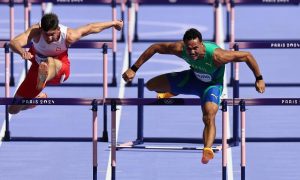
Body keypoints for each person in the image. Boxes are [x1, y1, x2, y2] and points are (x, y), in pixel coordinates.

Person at [122, 28, 265, 164]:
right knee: (151, 85)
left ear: (201, 45)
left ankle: (207, 149)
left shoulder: (217, 56)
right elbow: (155, 47)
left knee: (209, 115)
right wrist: (133, 68)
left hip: (211, 86)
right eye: (189, 48)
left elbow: (247, 56)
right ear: (184, 46)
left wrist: (259, 78)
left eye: (195, 48)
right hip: (192, 79)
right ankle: (174, 91)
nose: (192, 52)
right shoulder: (180, 49)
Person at [8, 13, 123, 114]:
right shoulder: (35, 32)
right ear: (41, 30)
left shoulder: (69, 35)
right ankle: (35, 99)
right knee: (13, 109)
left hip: (60, 68)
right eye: (46, 35)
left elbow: (91, 28)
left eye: (52, 34)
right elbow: (14, 42)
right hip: (36, 68)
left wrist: (114, 23)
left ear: (58, 29)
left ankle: (44, 77)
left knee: (49, 62)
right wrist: (22, 51)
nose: (49, 38)